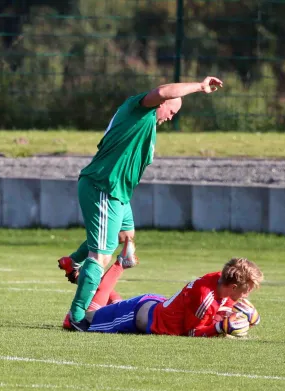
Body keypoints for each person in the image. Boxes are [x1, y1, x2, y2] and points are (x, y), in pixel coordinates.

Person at [66, 77, 224, 330]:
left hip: (120, 194)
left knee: (125, 238)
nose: (171, 117)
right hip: (103, 187)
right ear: (163, 103)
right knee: (101, 257)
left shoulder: (147, 126)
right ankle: (76, 316)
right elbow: (163, 91)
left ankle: (73, 261)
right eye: (172, 111)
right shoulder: (138, 109)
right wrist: (199, 87)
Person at [78, 257, 264, 338]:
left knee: (114, 305)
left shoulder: (222, 280)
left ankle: (91, 280)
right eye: (246, 290)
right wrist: (220, 327)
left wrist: (240, 315)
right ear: (232, 287)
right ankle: (109, 268)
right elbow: (191, 333)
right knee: (84, 321)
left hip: (158, 305)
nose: (247, 295)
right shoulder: (204, 299)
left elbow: (219, 307)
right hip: (140, 317)